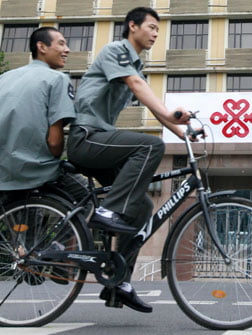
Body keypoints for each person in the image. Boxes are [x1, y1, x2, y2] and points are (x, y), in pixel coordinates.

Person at [67, 7, 191, 313]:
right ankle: (109, 211)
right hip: (86, 136)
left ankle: (118, 284)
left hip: (100, 138)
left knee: (142, 207)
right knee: (150, 147)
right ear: (131, 26)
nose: (155, 34)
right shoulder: (115, 51)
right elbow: (138, 88)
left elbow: (152, 104)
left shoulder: (136, 66)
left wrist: (184, 132)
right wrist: (171, 116)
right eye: (150, 27)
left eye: (158, 31)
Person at [0, 27, 76, 193]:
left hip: (4, 173)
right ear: (42, 47)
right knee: (88, 201)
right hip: (36, 171)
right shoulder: (57, 79)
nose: (67, 50)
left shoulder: (4, 77)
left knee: (20, 218)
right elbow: (54, 142)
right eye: (61, 44)